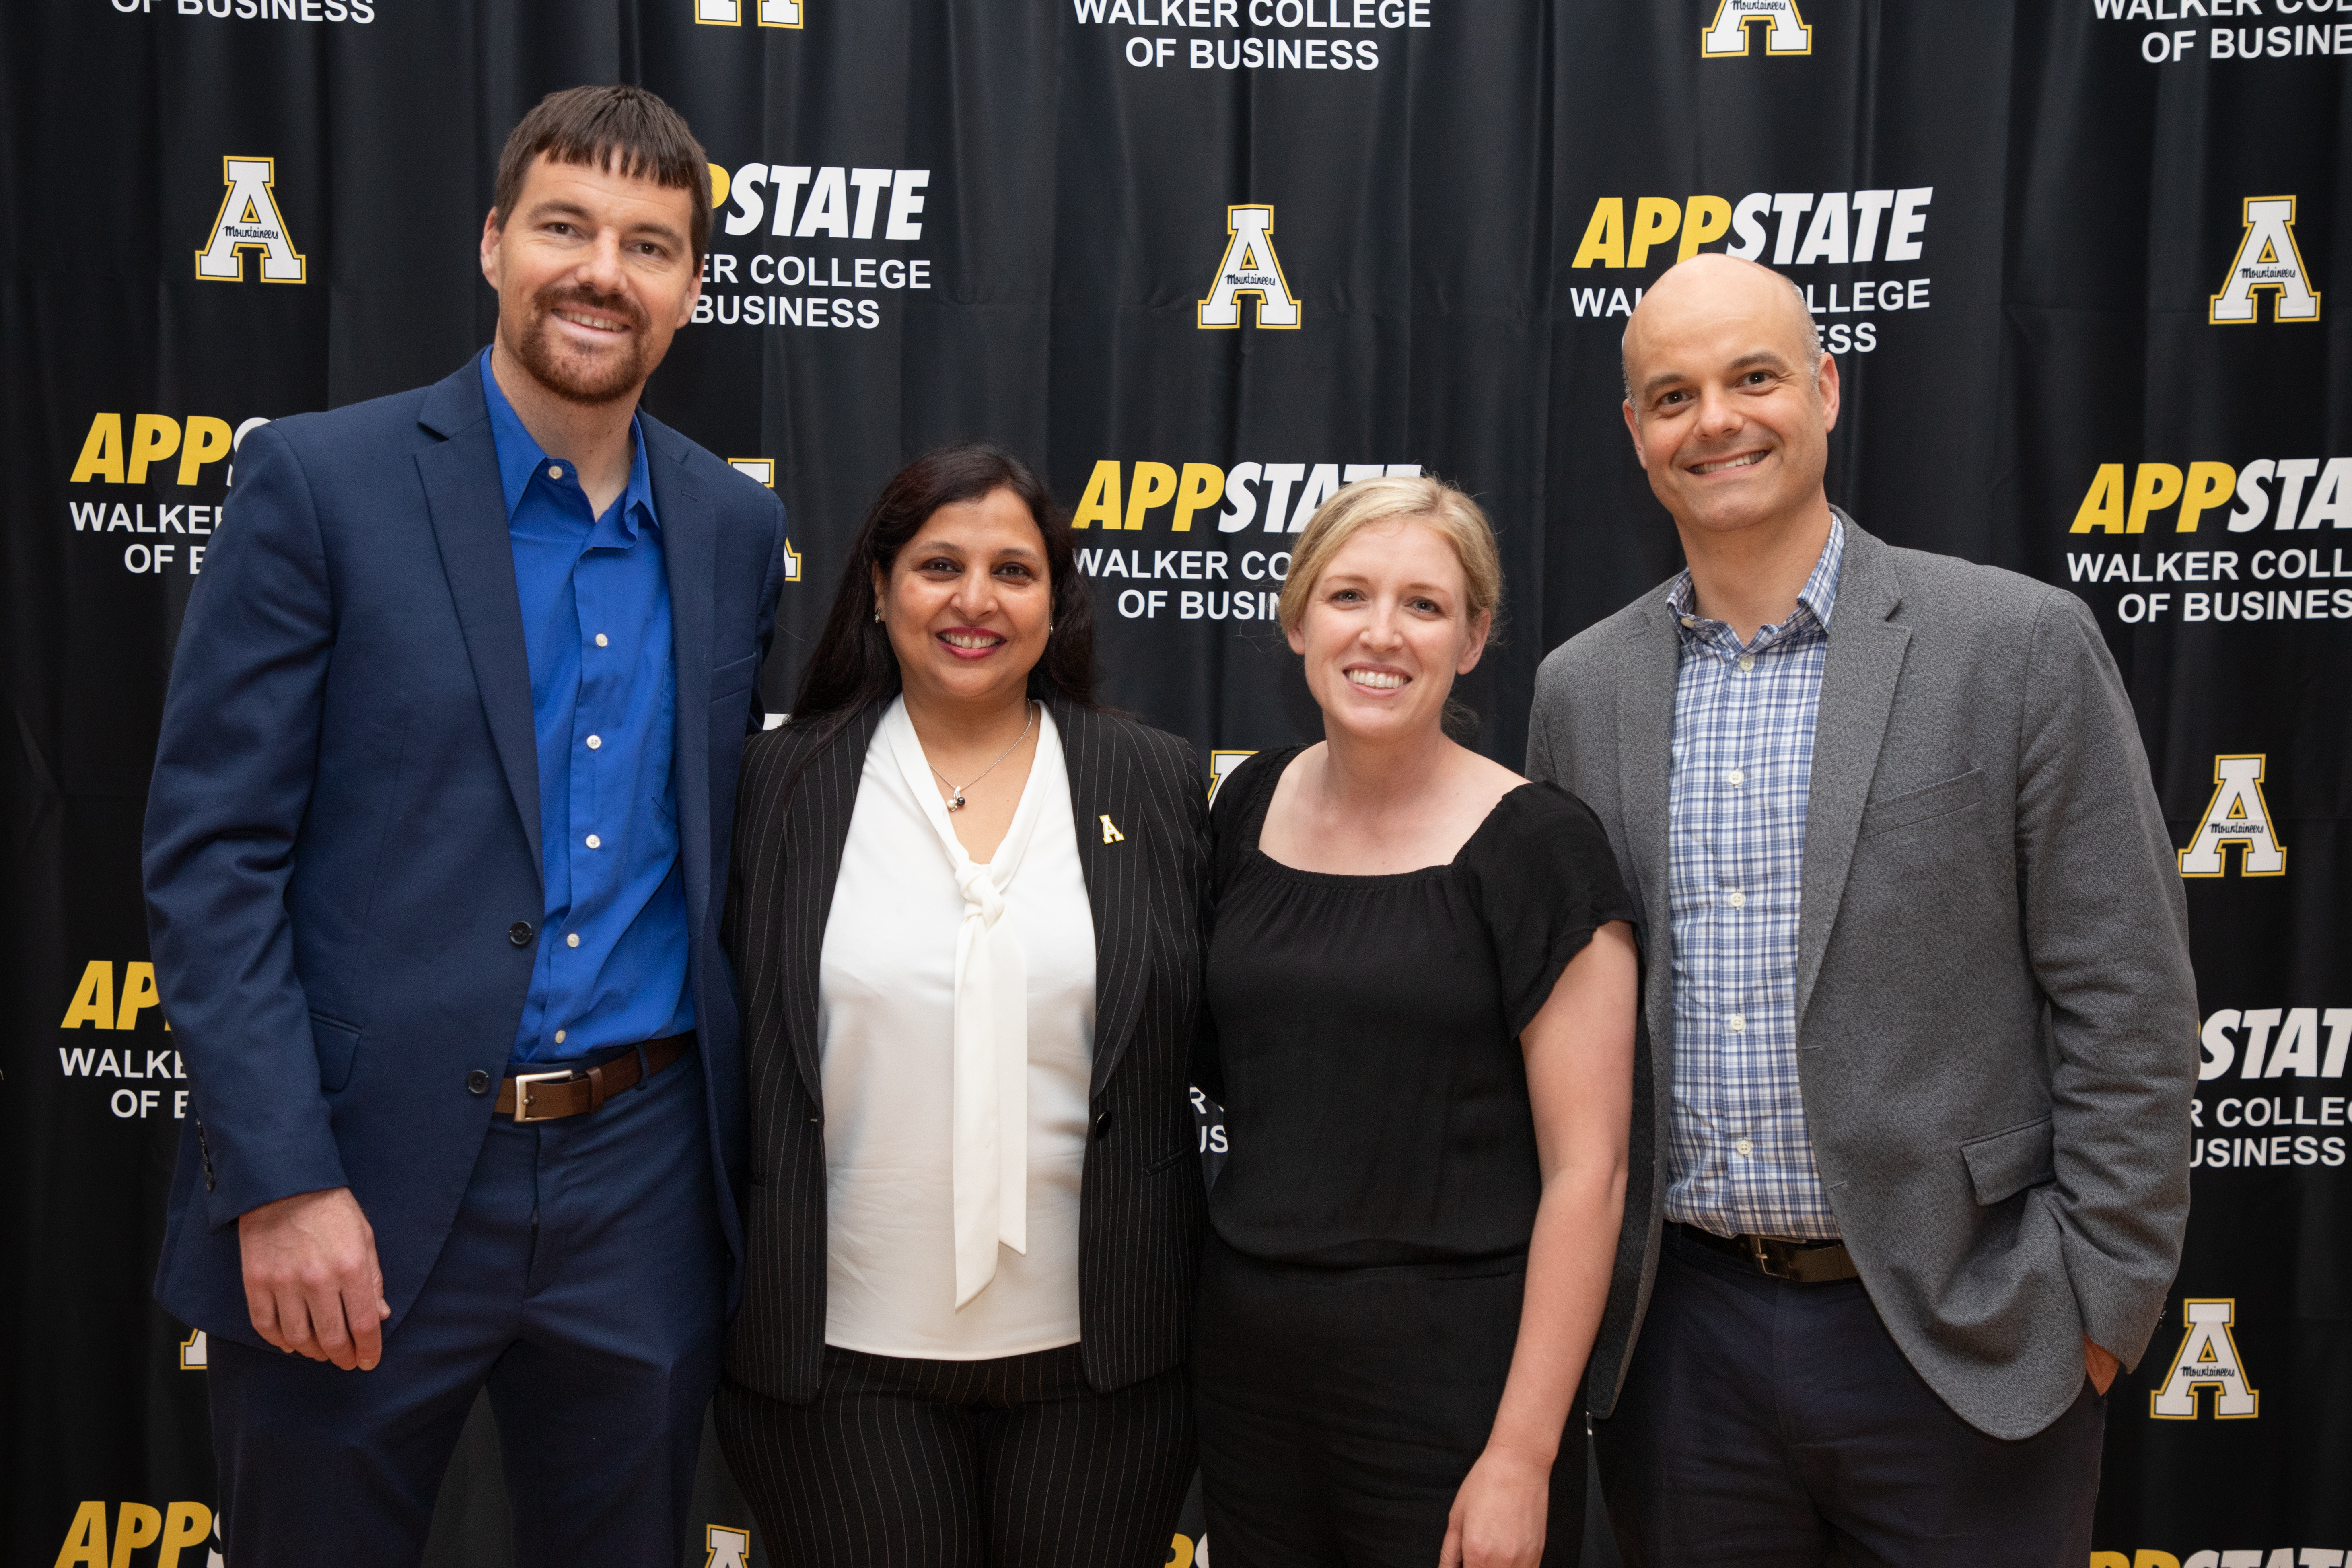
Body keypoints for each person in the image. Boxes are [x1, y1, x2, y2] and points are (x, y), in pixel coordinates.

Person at [142, 86, 786, 1566]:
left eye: (648, 244)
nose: (600, 271)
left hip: (642, 1185)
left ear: (690, 290)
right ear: (495, 243)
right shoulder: (320, 483)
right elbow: (212, 855)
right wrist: (287, 1176)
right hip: (357, 1173)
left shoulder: (733, 529)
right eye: (564, 225)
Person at [1525, 253, 2198, 1566]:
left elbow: (2129, 997)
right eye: (1673, 394)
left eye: (1754, 377)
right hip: (1683, 1351)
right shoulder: (1580, 691)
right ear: (1636, 434)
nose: (1715, 419)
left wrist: (2093, 1316)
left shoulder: (2015, 646)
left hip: (1967, 1340)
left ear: (1826, 389)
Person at [716, 444, 1208, 1568]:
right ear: (880, 587)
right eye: (940, 565)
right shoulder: (773, 786)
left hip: (1105, 1365)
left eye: (1014, 571)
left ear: (1055, 598)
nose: (976, 601)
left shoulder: (1156, 780)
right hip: (834, 1361)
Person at [1194, 475, 1640, 1568]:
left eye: (1426, 605)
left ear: (1475, 637)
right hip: (1251, 1385)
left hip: (1459, 1391)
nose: (1381, 634)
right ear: (1297, 617)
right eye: (1349, 595)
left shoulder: (1540, 846)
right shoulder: (1245, 807)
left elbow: (1592, 1174)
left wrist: (1521, 1456)